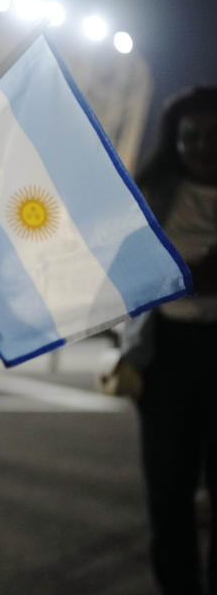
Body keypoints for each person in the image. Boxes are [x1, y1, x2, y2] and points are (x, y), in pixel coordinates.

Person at [123, 86, 217, 595]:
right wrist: (186, 276)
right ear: (174, 141)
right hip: (169, 354)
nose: (202, 145)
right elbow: (126, 273)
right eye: (190, 136)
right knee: (168, 492)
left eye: (212, 135)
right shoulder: (155, 196)